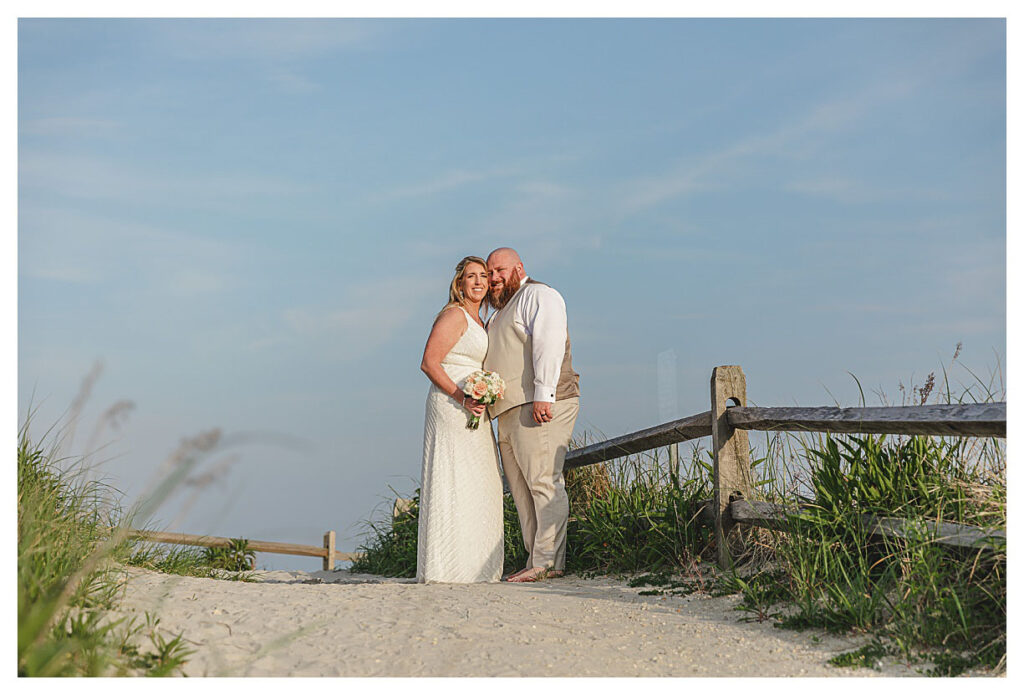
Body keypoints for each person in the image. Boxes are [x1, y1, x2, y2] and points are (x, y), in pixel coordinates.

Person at [484, 247, 580, 583]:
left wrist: (544, 395)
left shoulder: (539, 294)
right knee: (522, 491)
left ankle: (548, 562)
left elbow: (548, 343)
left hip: (538, 404)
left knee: (543, 482)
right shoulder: (500, 311)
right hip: (508, 411)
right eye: (489, 273)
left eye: (499, 271)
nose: (493, 279)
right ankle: (534, 560)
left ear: (518, 268)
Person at [416, 256, 504, 583]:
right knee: (451, 478)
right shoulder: (454, 315)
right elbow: (429, 362)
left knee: (479, 480)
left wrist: (485, 393)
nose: (479, 281)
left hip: (474, 408)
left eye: (483, 276)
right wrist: (462, 397)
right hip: (452, 406)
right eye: (471, 276)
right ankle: (446, 568)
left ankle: (475, 566)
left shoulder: (480, 320)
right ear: (460, 283)